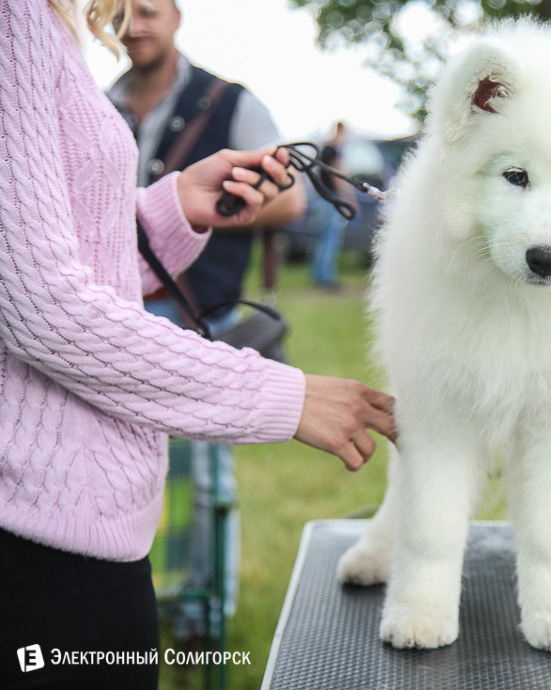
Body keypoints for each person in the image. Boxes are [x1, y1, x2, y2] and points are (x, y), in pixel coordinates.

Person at [0, 2, 396, 688]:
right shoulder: (16, 19)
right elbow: (43, 305)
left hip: (72, 530)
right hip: (39, 545)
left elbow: (50, 253)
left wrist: (170, 205)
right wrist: (281, 396)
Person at [106, 0, 305, 645]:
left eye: (148, 10)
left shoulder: (230, 101)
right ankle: (131, 611)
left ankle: (202, 619)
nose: (134, 24)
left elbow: (294, 200)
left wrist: (208, 208)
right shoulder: (101, 102)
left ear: (176, 16)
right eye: (120, 12)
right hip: (110, 310)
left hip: (198, 308)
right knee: (113, 466)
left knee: (203, 475)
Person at [310, 121, 357, 290]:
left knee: (322, 239)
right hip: (331, 200)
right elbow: (337, 176)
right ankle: (327, 279)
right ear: (340, 132)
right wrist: (347, 198)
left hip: (322, 198)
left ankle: (318, 276)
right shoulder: (334, 151)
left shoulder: (324, 149)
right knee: (331, 239)